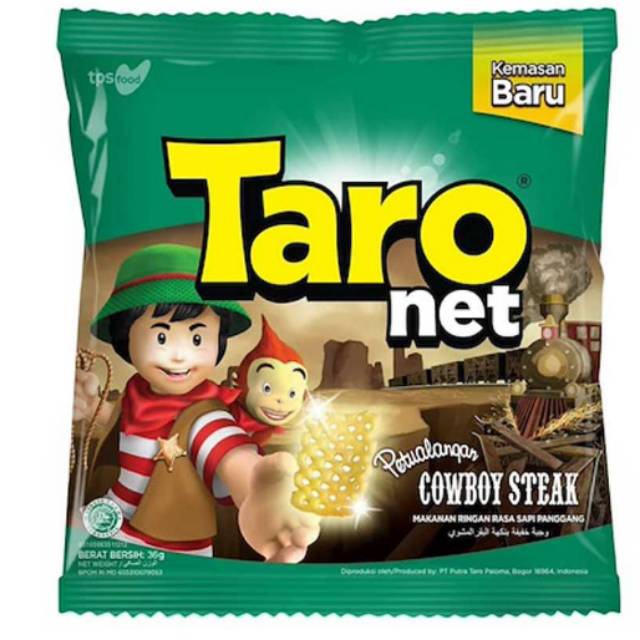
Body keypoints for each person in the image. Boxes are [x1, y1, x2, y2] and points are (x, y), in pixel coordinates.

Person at [74, 243, 319, 561]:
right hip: (112, 516)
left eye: (197, 338)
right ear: (126, 338)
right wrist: (91, 407)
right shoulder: (136, 392)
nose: (180, 355)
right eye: (161, 337)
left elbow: (230, 453)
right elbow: (124, 422)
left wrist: (259, 488)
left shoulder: (207, 415)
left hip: (165, 546)